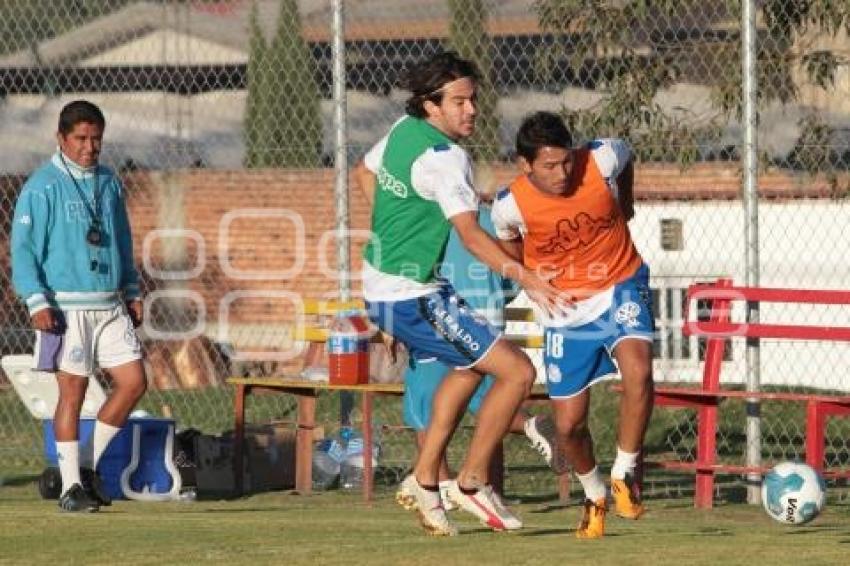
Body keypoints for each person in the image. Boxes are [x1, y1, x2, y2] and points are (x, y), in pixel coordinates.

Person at [353, 51, 562, 536]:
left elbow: (364, 174)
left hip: (391, 285)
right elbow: (470, 235)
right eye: (460, 102)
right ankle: (469, 482)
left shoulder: (403, 131)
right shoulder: (447, 159)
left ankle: (427, 480)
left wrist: (396, 234)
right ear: (431, 105)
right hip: (411, 294)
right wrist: (525, 275)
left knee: (469, 368)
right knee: (517, 371)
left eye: (473, 100)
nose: (471, 110)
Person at [491, 111, 654, 539]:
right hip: (565, 310)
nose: (562, 172)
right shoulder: (509, 203)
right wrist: (531, 276)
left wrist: (626, 204)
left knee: (638, 370)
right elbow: (508, 244)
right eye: (548, 165)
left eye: (565, 161)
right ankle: (594, 493)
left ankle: (624, 472)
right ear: (525, 165)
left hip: (620, 282)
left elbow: (628, 155)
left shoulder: (600, 159)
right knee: (568, 427)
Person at [11, 100, 147, 513]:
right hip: (65, 308)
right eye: (81, 139)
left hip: (109, 304)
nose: (90, 147)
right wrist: (36, 301)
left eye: (96, 139)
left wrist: (131, 288)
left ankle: (84, 467)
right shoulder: (43, 185)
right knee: (73, 390)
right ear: (62, 138)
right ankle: (71, 489)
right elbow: (24, 250)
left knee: (133, 382)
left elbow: (121, 237)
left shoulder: (108, 182)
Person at [393, 199, 559, 511]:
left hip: (437, 319)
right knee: (490, 408)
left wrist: (394, 323)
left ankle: (438, 490)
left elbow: (405, 273)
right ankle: (493, 484)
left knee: (426, 410)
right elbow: (511, 279)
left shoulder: (424, 221)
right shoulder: (491, 222)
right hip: (487, 324)